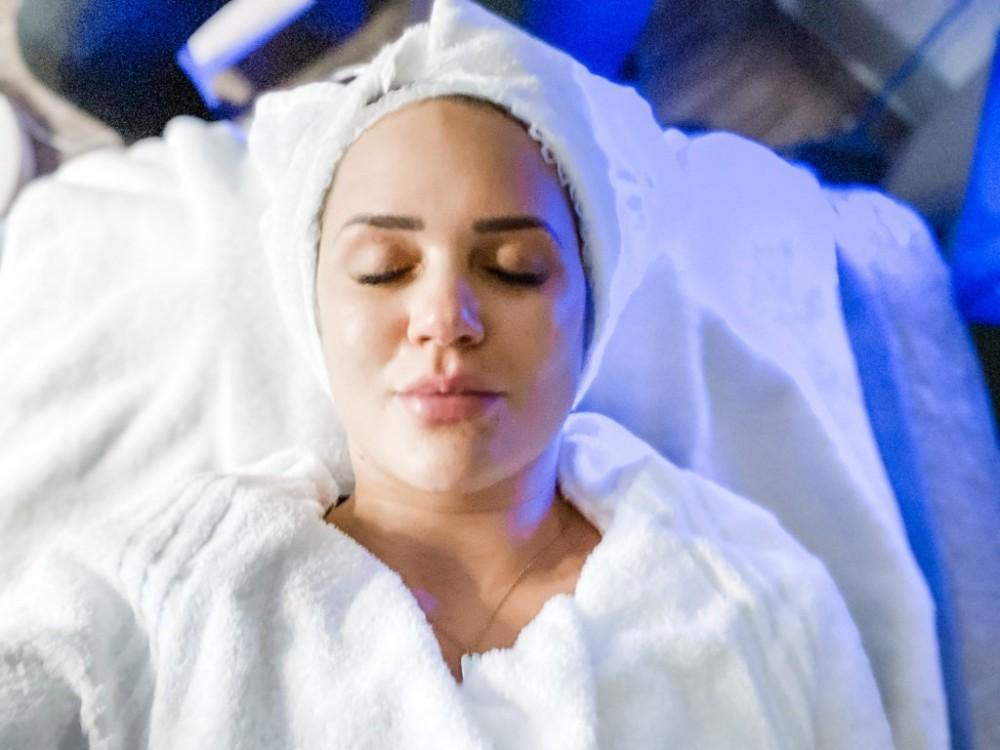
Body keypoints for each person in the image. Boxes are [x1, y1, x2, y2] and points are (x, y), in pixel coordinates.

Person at [0, 0, 900, 746]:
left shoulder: (759, 604)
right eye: (383, 269)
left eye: (513, 269)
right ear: (313, 308)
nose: (445, 320)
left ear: (591, 312)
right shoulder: (164, 590)